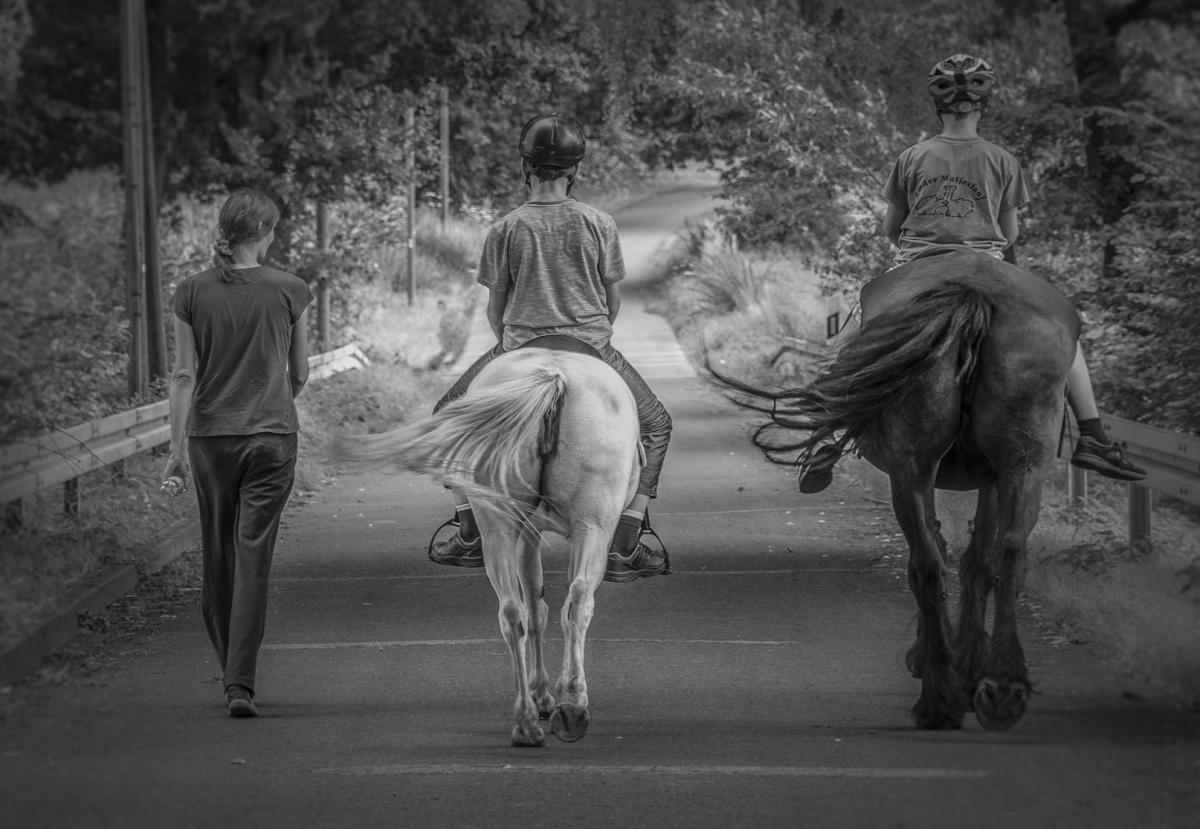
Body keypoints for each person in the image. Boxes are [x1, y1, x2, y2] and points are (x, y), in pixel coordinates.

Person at [798, 53, 1145, 493]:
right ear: (985, 103)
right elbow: (1010, 230)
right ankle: (1093, 436)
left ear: (936, 104)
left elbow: (891, 227)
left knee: (850, 340)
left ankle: (826, 436)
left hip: (918, 264)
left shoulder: (912, 157)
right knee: (1066, 339)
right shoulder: (1002, 160)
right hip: (988, 264)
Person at [427, 112, 672, 583]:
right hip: (590, 346)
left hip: (520, 344)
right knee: (657, 425)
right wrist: (593, 335)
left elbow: (495, 311)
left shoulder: (505, 228)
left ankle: (469, 527)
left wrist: (511, 344)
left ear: (526, 166)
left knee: (445, 416)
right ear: (575, 170)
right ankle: (626, 537)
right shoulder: (598, 222)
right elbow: (612, 301)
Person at [162, 188, 314, 718]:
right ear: (266, 233)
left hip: (209, 440)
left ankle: (233, 674)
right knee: (254, 554)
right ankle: (239, 683)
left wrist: (176, 452)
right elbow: (299, 372)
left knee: (219, 553)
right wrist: (275, 404)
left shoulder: (190, 292)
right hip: (272, 437)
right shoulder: (290, 289)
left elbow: (184, 375)